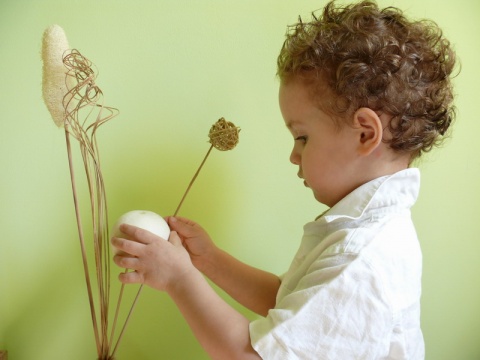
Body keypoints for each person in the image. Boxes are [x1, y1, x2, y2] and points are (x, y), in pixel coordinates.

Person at [111, 1, 456, 359]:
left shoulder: (360, 258)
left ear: (365, 134)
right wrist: (210, 260)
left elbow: (250, 354)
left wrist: (179, 280)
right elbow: (288, 302)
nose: (294, 156)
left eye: (302, 137)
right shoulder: (359, 231)